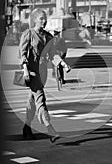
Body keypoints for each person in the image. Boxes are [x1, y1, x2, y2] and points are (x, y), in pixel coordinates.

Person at [19, 8, 71, 143]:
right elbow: (22, 53)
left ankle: (27, 127)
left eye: (45, 18)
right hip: (31, 73)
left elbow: (53, 54)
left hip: (42, 73)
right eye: (41, 18)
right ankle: (50, 128)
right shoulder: (28, 34)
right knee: (40, 99)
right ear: (35, 20)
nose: (44, 21)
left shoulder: (48, 36)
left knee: (32, 100)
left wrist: (63, 64)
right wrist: (24, 68)